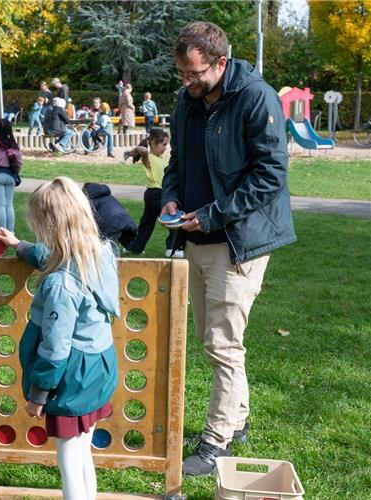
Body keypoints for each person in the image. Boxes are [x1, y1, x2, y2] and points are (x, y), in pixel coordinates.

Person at [161, 22, 296, 476]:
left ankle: (216, 442)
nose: (187, 82)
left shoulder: (256, 97)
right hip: (195, 235)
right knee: (216, 341)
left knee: (222, 343)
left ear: (221, 62)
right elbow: (176, 164)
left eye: (194, 73)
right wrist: (171, 198)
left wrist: (214, 213)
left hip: (239, 241)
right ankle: (236, 421)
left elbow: (270, 176)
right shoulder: (187, 101)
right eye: (181, 73)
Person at [0, 177, 119, 500]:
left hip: (72, 377)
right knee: (82, 449)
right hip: (98, 368)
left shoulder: (60, 285)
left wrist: (38, 394)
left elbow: (55, 348)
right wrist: (19, 246)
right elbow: (53, 257)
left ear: (49, 227)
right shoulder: (99, 253)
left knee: (69, 460)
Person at [122, 129, 179, 257]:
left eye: (166, 145)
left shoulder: (162, 159)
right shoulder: (148, 158)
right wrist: (132, 152)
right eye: (163, 144)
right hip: (156, 194)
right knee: (172, 218)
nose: (165, 148)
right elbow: (142, 150)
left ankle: (135, 248)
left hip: (155, 194)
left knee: (146, 225)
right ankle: (172, 248)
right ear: (153, 143)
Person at [83, 182, 137, 251]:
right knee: (113, 244)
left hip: (111, 226)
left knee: (106, 247)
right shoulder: (109, 197)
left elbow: (90, 218)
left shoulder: (91, 201)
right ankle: (115, 256)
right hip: (124, 223)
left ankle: (110, 257)